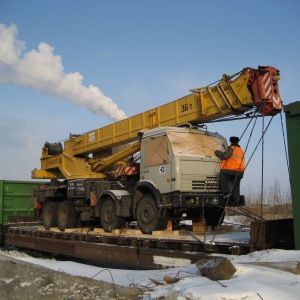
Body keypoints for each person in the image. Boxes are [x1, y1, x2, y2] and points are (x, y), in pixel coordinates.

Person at [214, 136, 245, 205]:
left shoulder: (231, 148)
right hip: (240, 172)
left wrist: (216, 152)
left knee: (222, 175)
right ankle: (236, 202)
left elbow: (225, 156)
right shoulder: (240, 150)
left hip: (231, 170)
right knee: (236, 187)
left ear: (231, 141)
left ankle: (226, 192)